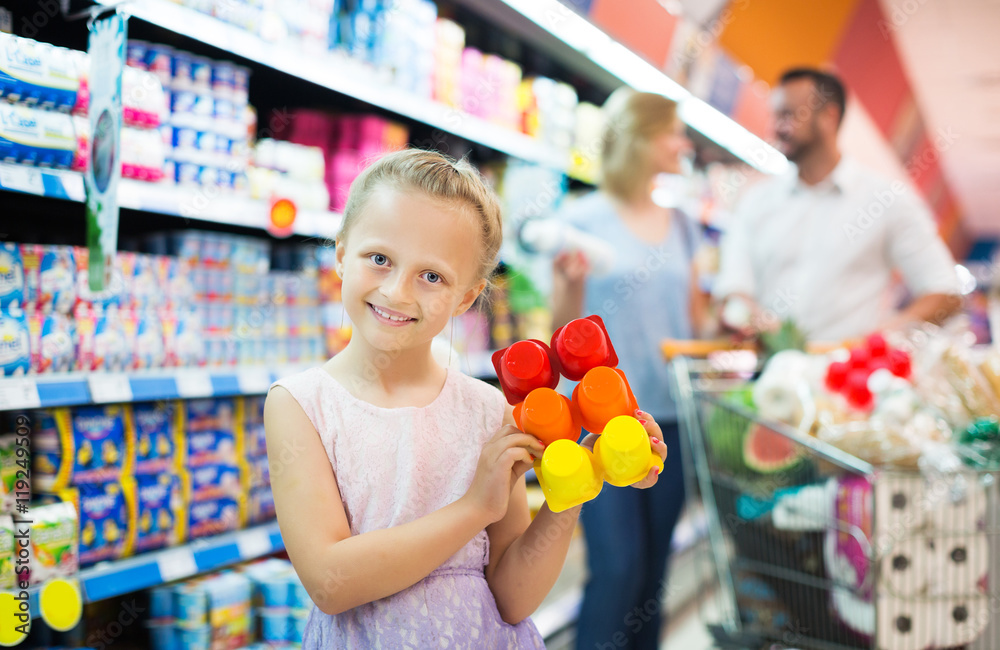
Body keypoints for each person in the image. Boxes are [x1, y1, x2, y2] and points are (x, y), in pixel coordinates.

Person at [264, 149, 667, 647]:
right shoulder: (301, 405)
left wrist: (573, 482)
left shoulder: (487, 409)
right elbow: (330, 583)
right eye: (380, 258)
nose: (397, 291)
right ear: (342, 253)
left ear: (466, 297)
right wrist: (475, 507)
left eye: (431, 276)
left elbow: (513, 599)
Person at [552, 89, 703, 650]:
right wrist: (570, 285)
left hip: (672, 418)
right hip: (600, 418)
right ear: (641, 137)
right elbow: (561, 332)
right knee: (617, 569)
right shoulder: (581, 219)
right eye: (674, 132)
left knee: (652, 575)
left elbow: (695, 321)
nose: (684, 145)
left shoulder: (684, 226)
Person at [714, 68, 961, 342]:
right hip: (766, 374)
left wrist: (880, 339)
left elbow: (946, 293)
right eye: (776, 116)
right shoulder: (756, 202)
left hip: (845, 376)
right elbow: (733, 289)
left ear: (828, 117)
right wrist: (748, 318)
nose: (776, 128)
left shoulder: (887, 201)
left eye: (788, 115)